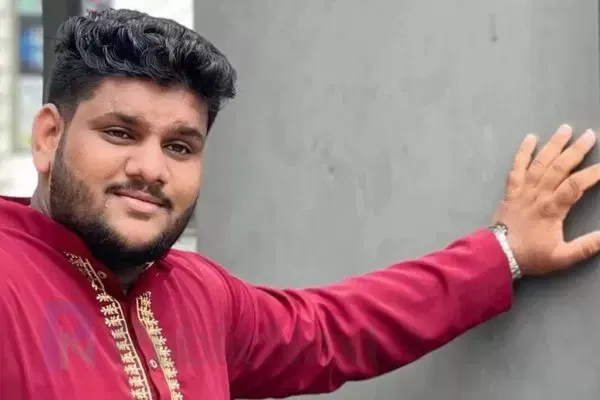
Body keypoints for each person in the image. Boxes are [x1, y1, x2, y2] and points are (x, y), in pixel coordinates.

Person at [1, 8, 600, 400]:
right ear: (50, 137)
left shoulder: (197, 294)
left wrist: (504, 251)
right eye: (120, 133)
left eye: (179, 146)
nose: (151, 169)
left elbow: (333, 329)